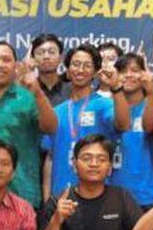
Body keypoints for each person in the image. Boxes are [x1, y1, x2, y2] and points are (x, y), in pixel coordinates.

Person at [0, 41, 57, 209]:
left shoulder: (29, 98)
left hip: (24, 194)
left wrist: (38, 92)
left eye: (6, 59)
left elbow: (51, 128)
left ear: (15, 65)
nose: (0, 65)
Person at [41, 43, 116, 200]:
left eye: (87, 65)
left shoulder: (105, 105)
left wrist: (117, 88)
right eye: (75, 64)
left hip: (96, 194)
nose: (80, 70)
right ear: (67, 71)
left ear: (96, 72)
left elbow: (121, 125)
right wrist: (47, 196)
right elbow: (50, 157)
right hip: (60, 194)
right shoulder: (56, 111)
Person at [107, 52, 153, 207]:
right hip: (114, 193)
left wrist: (152, 94)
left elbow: (149, 127)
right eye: (123, 71)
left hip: (148, 194)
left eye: (135, 70)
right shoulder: (106, 108)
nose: (129, 75)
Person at [30, 33, 68, 106]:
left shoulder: (72, 90)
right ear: (32, 58)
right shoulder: (27, 91)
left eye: (51, 52)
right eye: (40, 53)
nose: (46, 57)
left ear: (61, 58)